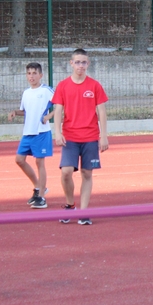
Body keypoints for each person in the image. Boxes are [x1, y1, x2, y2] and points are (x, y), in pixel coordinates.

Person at [51, 49, 109, 225]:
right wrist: (57, 132)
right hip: (70, 136)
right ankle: (70, 205)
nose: (80, 66)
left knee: (86, 173)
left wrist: (104, 135)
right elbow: (58, 110)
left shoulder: (94, 85)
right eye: (77, 62)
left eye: (84, 62)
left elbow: (101, 111)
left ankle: (84, 212)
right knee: (66, 172)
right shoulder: (63, 85)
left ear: (88, 64)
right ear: (71, 64)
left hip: (90, 136)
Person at [8, 62, 55, 209]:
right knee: (19, 160)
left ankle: (41, 196)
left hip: (41, 132)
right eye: (29, 73)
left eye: (34, 73)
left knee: (39, 163)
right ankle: (38, 186)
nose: (31, 76)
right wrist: (16, 112)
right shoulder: (26, 93)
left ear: (40, 75)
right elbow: (25, 111)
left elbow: (62, 105)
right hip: (28, 132)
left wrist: (48, 117)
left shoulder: (46, 90)